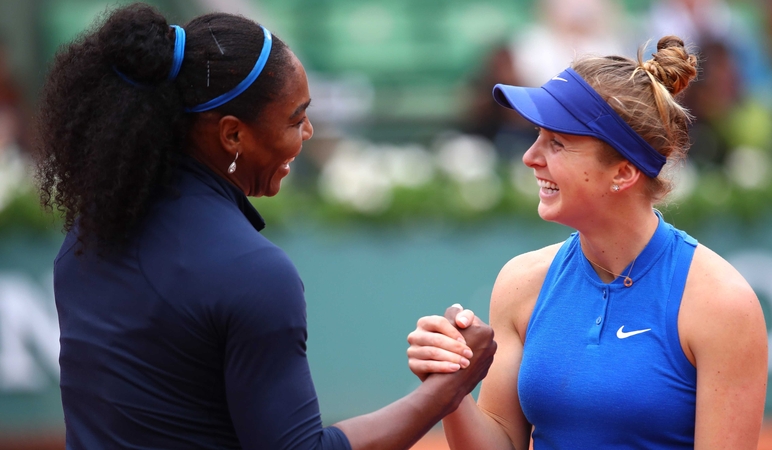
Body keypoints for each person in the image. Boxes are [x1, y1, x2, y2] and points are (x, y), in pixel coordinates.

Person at [33, 3, 496, 449]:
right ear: (232, 134)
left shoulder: (82, 239)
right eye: (296, 119)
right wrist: (448, 388)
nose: (308, 133)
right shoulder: (253, 273)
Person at [407, 36, 768, 449]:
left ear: (623, 172)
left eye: (556, 143)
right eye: (537, 135)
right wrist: (449, 389)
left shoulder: (722, 304)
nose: (530, 156)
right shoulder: (521, 282)